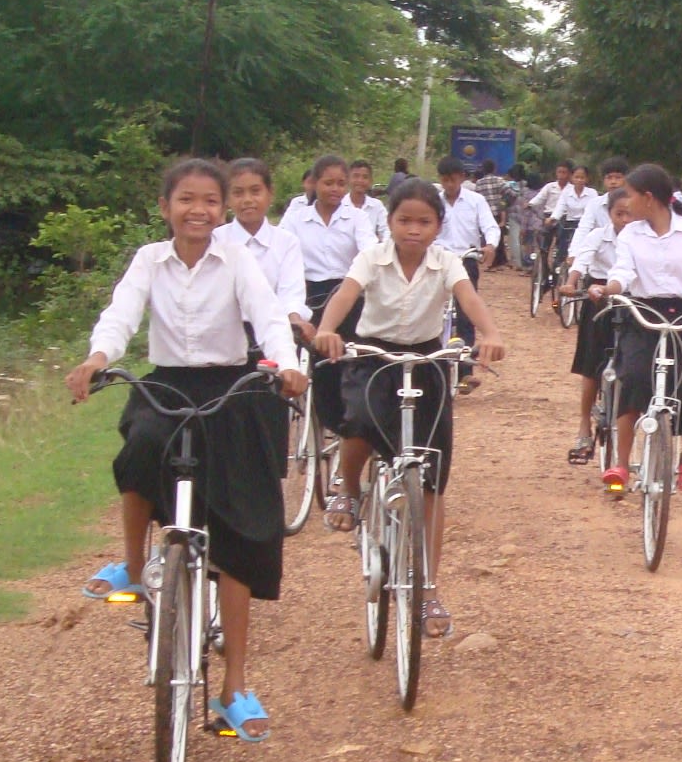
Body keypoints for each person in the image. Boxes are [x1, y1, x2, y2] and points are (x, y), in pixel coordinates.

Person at [67, 159, 309, 742]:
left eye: (209, 201)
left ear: (222, 211)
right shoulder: (149, 260)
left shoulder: (239, 260)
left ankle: (234, 689)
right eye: (186, 200)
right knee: (139, 447)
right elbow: (121, 315)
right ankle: (131, 563)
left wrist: (290, 366)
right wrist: (98, 358)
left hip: (233, 388)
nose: (197, 210)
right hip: (169, 383)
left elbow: (269, 317)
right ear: (165, 206)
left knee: (244, 533)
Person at [313, 178, 506, 638]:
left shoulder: (447, 262)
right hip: (374, 353)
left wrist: (490, 334)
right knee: (357, 416)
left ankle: (427, 590)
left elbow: (469, 299)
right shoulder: (371, 258)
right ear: (390, 222)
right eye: (404, 221)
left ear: (439, 225)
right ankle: (348, 486)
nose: (413, 230)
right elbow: (345, 293)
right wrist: (327, 329)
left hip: (425, 359)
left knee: (432, 476)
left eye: (424, 222)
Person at [593, 164, 682, 493]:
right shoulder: (631, 235)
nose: (627, 203)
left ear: (649, 198)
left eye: (632, 196)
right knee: (634, 378)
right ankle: (622, 464)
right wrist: (610, 288)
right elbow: (623, 270)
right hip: (643, 315)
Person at [283, 155, 379, 435]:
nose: (335, 189)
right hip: (307, 293)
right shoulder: (296, 218)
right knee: (315, 361)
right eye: (328, 183)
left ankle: (352, 416)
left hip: (347, 292)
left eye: (341, 183)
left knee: (350, 358)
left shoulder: (357, 218)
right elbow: (283, 252)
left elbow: (368, 250)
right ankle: (323, 415)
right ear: (314, 183)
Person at [559, 186, 634, 463]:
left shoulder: (642, 238)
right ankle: (583, 426)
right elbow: (582, 260)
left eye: (630, 214)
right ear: (609, 213)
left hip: (631, 301)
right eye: (619, 214)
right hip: (598, 297)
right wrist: (571, 282)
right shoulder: (598, 236)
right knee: (591, 364)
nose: (625, 220)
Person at [215, 158, 315, 346]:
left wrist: (294, 318)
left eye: (255, 191)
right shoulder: (214, 240)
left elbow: (291, 293)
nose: (247, 200)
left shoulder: (286, 242)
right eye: (238, 193)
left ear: (270, 194)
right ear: (227, 199)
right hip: (223, 334)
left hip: (274, 331)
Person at [436, 157, 501, 387]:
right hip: (438, 261)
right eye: (445, 180)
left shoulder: (476, 201)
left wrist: (490, 245)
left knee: (466, 314)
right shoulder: (434, 201)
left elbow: (489, 225)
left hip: (466, 259)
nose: (449, 185)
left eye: (453, 180)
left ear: (462, 178)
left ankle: (465, 370)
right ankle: (434, 367)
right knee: (434, 311)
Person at [472, 159, 517, 258]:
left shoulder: (479, 183)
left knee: (488, 236)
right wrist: (504, 203)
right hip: (499, 212)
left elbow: (476, 198)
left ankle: (491, 260)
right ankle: (499, 260)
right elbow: (512, 194)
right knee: (498, 236)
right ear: (494, 169)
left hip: (485, 213)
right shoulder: (499, 180)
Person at [346, 159, 390, 242]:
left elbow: (386, 229)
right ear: (348, 179)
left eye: (365, 177)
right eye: (356, 176)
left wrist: (383, 246)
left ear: (370, 181)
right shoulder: (339, 205)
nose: (360, 180)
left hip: (371, 252)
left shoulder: (377, 205)